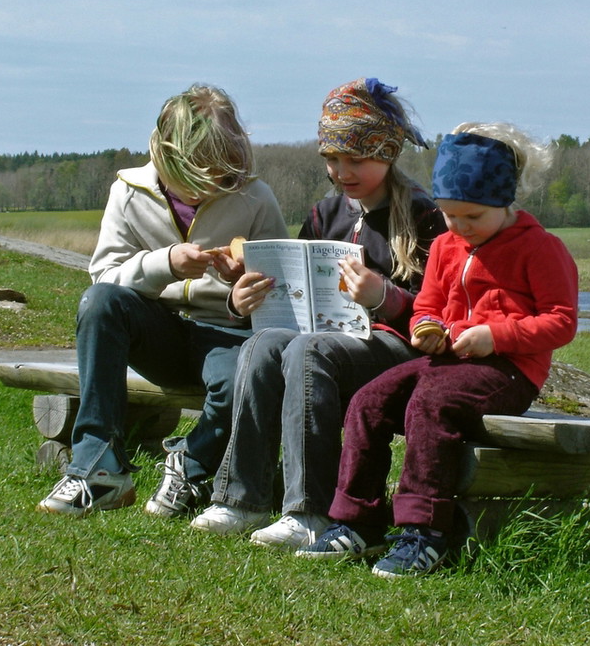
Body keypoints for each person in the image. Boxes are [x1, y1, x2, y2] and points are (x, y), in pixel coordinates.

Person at [296, 122, 579, 577]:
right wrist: (425, 328)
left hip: (510, 371)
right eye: (450, 216)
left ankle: (424, 532)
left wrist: (496, 336)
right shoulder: (446, 245)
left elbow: (561, 321)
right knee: (369, 400)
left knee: (431, 404)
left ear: (506, 202)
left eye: (473, 217)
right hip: (445, 362)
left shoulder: (541, 248)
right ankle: (357, 521)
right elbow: (427, 305)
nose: (461, 227)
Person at [190, 78, 447, 548]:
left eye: (356, 159)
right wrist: (243, 295)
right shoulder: (325, 213)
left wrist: (381, 296)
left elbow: (436, 313)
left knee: (309, 351)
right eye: (332, 158)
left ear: (387, 153)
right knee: (263, 343)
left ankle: (312, 512)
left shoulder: (424, 217)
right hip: (323, 338)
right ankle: (242, 499)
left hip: (395, 348)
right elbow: (295, 288)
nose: (341, 171)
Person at [37, 84, 289, 517]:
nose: (208, 190)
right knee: (99, 303)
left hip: (227, 335)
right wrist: (165, 264)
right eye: (196, 180)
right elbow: (104, 278)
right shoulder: (128, 191)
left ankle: (189, 465)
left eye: (220, 179)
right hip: (156, 329)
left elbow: (283, 291)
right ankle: (98, 468)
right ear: (167, 157)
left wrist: (239, 292)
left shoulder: (254, 196)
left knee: (243, 380)